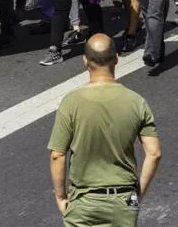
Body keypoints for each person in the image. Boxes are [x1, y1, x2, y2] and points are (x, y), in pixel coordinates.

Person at [47, 34, 161, 227]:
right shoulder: (136, 102)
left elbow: (57, 155)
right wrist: (138, 194)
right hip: (122, 201)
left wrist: (61, 197)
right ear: (116, 58)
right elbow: (154, 153)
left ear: (85, 61)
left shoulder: (71, 103)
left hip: (83, 202)